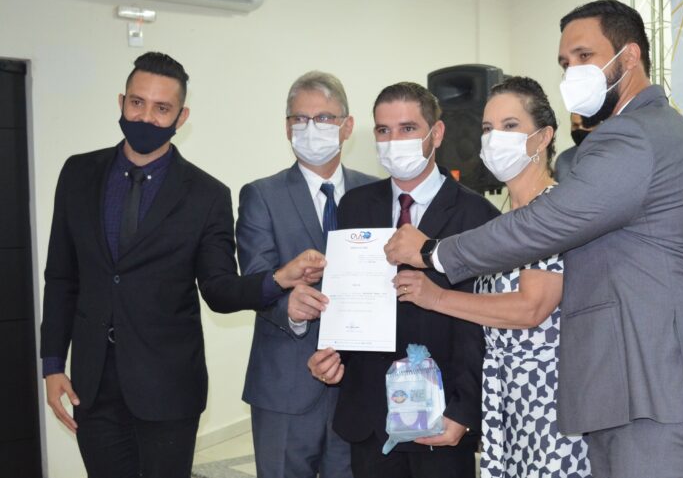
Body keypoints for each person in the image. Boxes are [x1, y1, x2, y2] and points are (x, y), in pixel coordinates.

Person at [385, 0, 683, 478]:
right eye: (564, 62)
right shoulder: (637, 133)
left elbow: (546, 223)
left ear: (629, 56)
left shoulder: (635, 136)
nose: (572, 72)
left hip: (666, 392)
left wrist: (434, 252)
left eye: (584, 56)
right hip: (633, 393)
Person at [40, 52, 322, 478]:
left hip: (168, 388)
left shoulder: (206, 194)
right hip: (93, 384)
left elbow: (219, 289)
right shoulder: (79, 173)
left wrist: (277, 279)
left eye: (161, 108)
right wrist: (52, 364)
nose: (146, 117)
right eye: (137, 103)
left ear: (181, 116)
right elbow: (62, 277)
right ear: (121, 102)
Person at [394, 76, 591, 478]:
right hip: (506, 400)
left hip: (550, 403)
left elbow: (530, 308)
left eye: (510, 125)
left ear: (543, 137)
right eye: (487, 128)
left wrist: (435, 297)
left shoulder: (553, 210)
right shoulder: (506, 219)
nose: (494, 138)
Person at [308, 82, 499, 478]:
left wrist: (465, 410)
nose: (394, 141)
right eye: (384, 130)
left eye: (408, 128)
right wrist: (332, 355)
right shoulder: (355, 205)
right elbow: (348, 297)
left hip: (442, 415)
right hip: (370, 415)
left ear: (437, 133)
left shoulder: (477, 215)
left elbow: (481, 324)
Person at [235, 71, 377, 478]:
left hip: (357, 384)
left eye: (325, 118)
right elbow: (257, 277)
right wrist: (290, 308)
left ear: (347, 126)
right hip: (285, 385)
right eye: (300, 118)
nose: (311, 128)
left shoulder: (375, 193)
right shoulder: (261, 195)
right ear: (287, 128)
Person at [554, 113, 595, 182]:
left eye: (586, 125)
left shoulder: (610, 158)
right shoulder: (563, 159)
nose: (580, 129)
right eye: (575, 125)